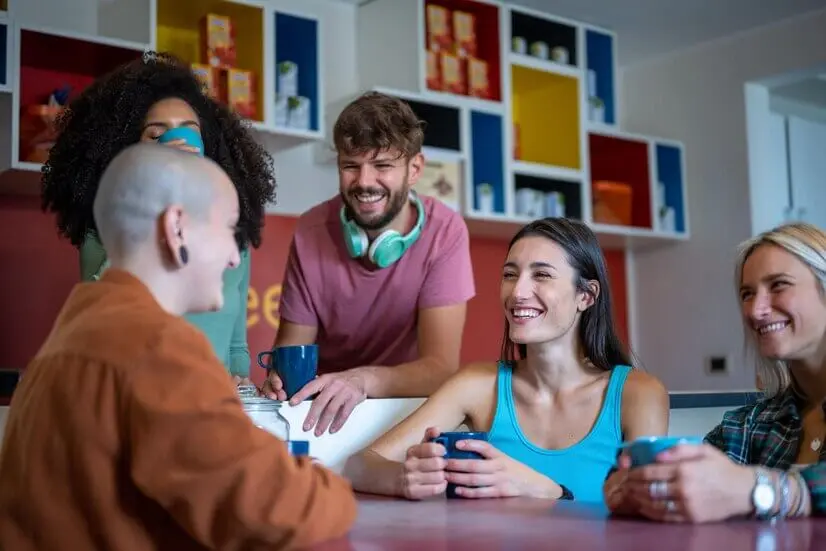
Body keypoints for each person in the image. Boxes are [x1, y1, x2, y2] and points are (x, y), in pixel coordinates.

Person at [0, 144, 356, 550]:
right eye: (229, 230)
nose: (234, 259)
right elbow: (279, 510)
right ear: (177, 229)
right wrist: (330, 487)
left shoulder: (69, 335)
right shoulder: (156, 347)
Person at [341, 217, 669, 503]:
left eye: (541, 275)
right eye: (511, 275)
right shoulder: (477, 385)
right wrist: (405, 478)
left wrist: (550, 492)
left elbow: (646, 516)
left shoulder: (638, 394)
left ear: (586, 295)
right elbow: (359, 465)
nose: (517, 292)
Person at [40, 51, 276, 384]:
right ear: (126, 151)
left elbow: (236, 347)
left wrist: (238, 380)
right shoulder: (106, 235)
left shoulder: (230, 238)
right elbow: (99, 321)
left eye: (190, 131)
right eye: (156, 134)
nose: (178, 141)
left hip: (211, 410)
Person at [263, 91, 475, 436]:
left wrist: (361, 380)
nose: (364, 181)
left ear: (414, 169)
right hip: (323, 413)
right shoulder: (310, 229)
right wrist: (281, 380)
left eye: (382, 166)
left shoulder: (446, 231)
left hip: (402, 412)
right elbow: (292, 354)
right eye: (351, 165)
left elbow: (441, 368)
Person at [618, 222, 826, 522]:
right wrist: (643, 487)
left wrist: (761, 491)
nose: (756, 310)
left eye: (779, 285)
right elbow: (699, 480)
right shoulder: (749, 426)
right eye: (747, 294)